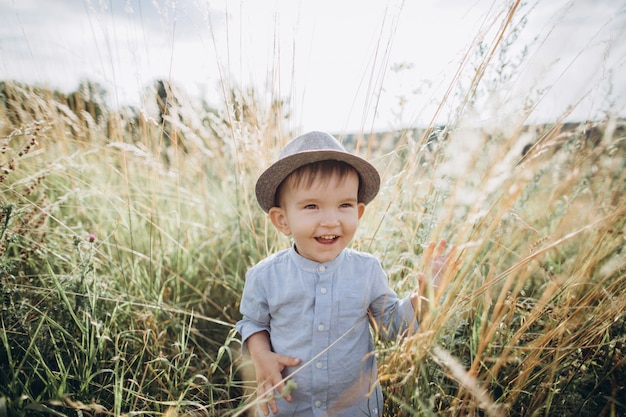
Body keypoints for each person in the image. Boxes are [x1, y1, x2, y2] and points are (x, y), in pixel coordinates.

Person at [236, 131, 452, 417]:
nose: (331, 220)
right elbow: (252, 322)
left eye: (345, 205)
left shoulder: (367, 270)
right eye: (312, 206)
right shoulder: (265, 276)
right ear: (282, 220)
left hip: (352, 409)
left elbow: (394, 328)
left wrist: (426, 293)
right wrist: (260, 354)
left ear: (359, 213)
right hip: (289, 407)